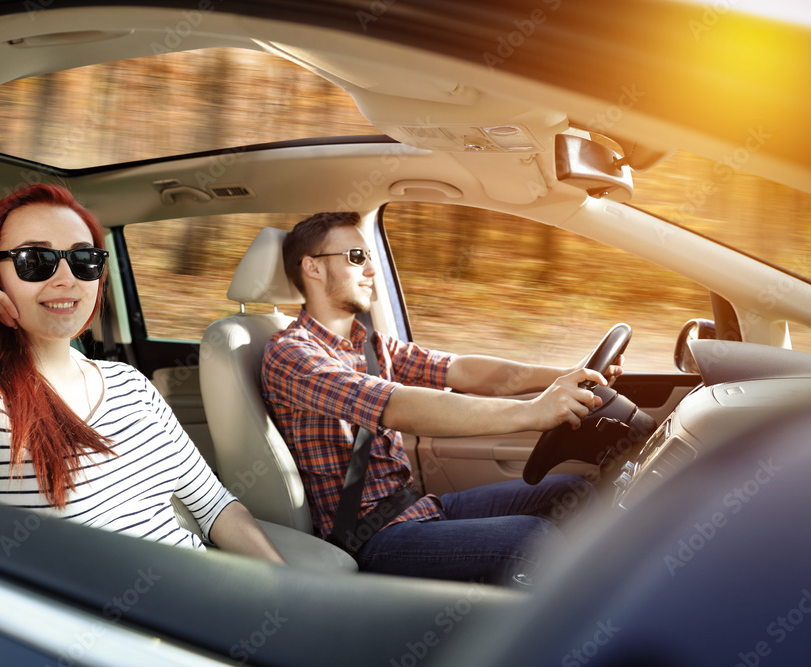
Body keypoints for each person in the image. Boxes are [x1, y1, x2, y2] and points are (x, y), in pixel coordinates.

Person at [0, 184, 284, 564]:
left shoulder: (131, 384)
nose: (67, 279)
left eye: (85, 259)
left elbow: (215, 507)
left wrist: (285, 594)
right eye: (36, 260)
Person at [261, 211, 623, 585]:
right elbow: (399, 407)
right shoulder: (291, 355)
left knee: (574, 493)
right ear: (312, 268)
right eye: (357, 257)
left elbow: (460, 369)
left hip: (418, 507)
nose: (371, 270)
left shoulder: (369, 343)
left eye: (370, 257)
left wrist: (565, 374)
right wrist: (534, 412)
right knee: (532, 540)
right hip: (369, 538)